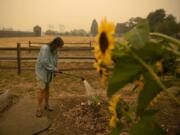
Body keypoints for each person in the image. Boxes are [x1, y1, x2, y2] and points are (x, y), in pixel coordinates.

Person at [35, 37, 64, 117]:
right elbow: (45, 62)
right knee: (41, 89)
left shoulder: (55, 52)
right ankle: (38, 109)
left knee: (47, 88)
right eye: (58, 47)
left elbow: (55, 62)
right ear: (55, 45)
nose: (59, 49)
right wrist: (54, 69)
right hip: (42, 72)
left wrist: (55, 71)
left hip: (49, 72)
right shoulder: (45, 48)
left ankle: (46, 105)